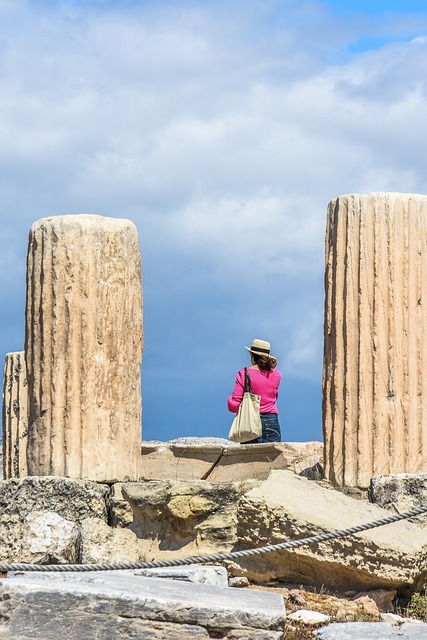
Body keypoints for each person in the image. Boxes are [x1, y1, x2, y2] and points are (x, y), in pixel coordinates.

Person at [228, 338, 281, 443]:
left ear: (252, 356)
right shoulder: (277, 375)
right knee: (271, 458)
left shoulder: (243, 373)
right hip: (272, 422)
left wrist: (230, 399)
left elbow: (233, 406)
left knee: (250, 458)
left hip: (249, 422)